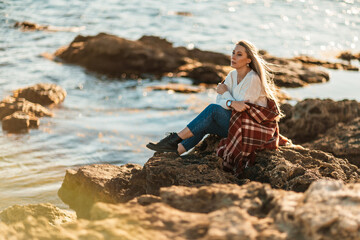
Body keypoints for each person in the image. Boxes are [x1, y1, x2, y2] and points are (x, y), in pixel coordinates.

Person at [146, 40, 284, 160]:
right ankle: (176, 151)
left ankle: (175, 138)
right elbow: (221, 101)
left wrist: (226, 96)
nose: (233, 57)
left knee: (212, 111)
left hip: (251, 128)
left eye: (239, 54)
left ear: (249, 60)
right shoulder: (231, 75)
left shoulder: (253, 79)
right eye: (233, 53)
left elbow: (240, 108)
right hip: (237, 123)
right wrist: (229, 101)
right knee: (205, 123)